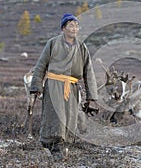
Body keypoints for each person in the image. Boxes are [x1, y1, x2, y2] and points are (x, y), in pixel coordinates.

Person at [30, 13, 98, 157]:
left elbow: (88, 72)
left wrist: (91, 98)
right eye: (71, 25)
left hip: (72, 87)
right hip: (54, 84)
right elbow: (41, 65)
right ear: (63, 28)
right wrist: (36, 86)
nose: (74, 29)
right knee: (55, 115)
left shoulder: (82, 47)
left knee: (70, 117)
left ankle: (63, 144)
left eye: (76, 26)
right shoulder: (53, 43)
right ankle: (52, 144)